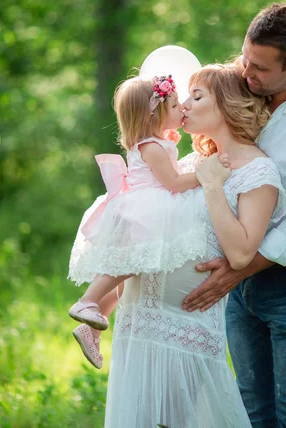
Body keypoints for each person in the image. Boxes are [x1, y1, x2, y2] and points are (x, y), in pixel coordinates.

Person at [182, 3, 286, 428]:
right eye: (245, 58)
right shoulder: (245, 94)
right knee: (251, 412)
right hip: (240, 277)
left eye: (259, 67)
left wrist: (238, 269)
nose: (246, 72)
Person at [87, 62, 286, 427]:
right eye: (183, 98)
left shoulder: (259, 172)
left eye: (196, 96)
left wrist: (212, 185)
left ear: (226, 104)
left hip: (186, 327)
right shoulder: (193, 160)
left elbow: (242, 254)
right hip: (141, 316)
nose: (185, 106)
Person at [68, 74, 205, 368]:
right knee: (126, 265)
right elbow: (174, 183)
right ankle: (86, 302)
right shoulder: (152, 147)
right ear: (153, 114)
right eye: (173, 104)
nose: (182, 107)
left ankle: (92, 326)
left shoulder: (154, 143)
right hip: (145, 210)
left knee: (124, 278)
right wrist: (204, 175)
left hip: (139, 206)